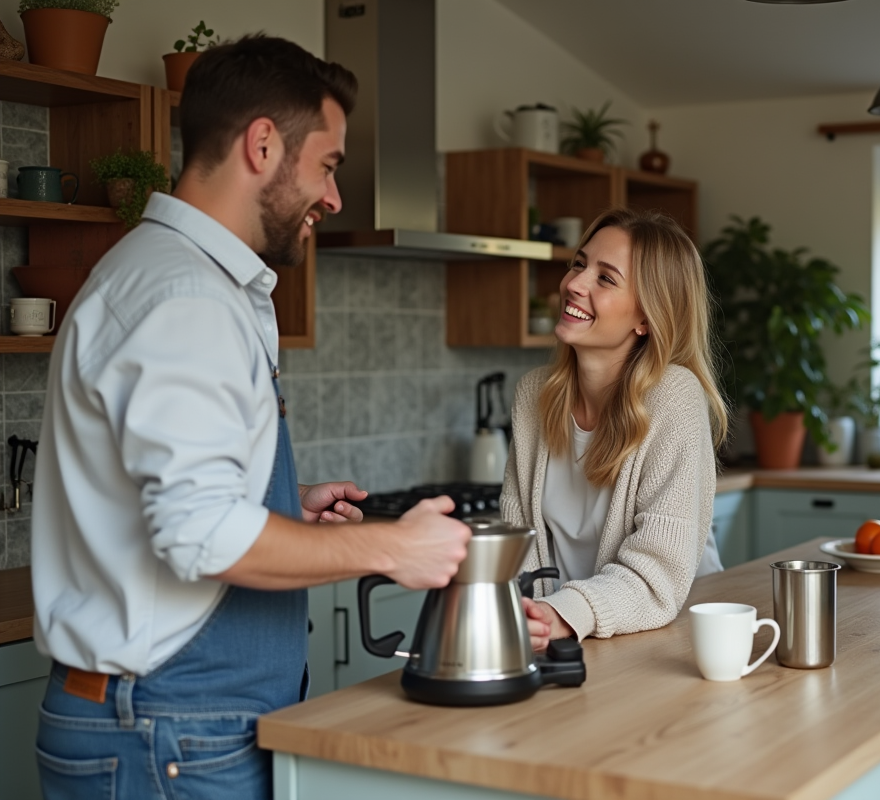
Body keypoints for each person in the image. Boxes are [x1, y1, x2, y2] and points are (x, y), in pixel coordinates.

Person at [31, 36, 470, 799]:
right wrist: (390, 546)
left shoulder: (195, 282)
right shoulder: (186, 300)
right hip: (167, 729)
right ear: (262, 144)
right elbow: (200, 535)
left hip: (181, 723)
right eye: (328, 166)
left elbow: (176, 501)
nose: (333, 199)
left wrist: (275, 510)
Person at [500, 207, 729, 651]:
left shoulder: (674, 398)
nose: (574, 284)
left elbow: (656, 575)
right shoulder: (533, 396)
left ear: (646, 317)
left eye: (605, 279)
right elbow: (519, 542)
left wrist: (560, 615)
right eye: (580, 264)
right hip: (571, 638)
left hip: (670, 640)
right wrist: (534, 617)